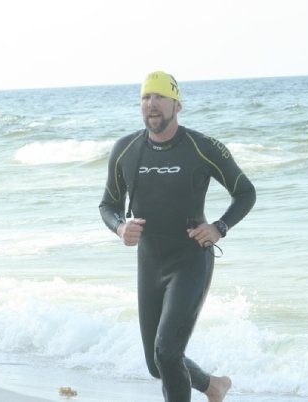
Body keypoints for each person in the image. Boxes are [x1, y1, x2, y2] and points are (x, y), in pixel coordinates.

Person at [99, 71, 256, 402]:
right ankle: (214, 386)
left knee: (168, 354)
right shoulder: (125, 149)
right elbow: (109, 205)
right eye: (145, 97)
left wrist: (219, 227)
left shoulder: (202, 147)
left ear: (177, 105)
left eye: (159, 97)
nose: (151, 104)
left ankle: (213, 387)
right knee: (158, 364)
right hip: (150, 262)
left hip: (191, 259)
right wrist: (120, 227)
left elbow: (245, 192)